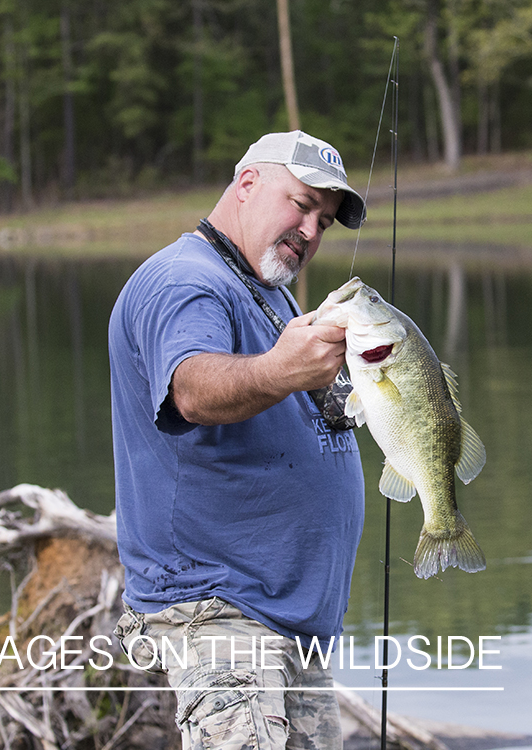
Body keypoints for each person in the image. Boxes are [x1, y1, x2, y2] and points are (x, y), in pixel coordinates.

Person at [109, 130, 367, 749]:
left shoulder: (266, 290)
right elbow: (193, 388)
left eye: (324, 221)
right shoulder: (184, 281)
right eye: (301, 204)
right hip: (219, 612)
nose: (310, 230)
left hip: (288, 622)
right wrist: (283, 370)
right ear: (247, 184)